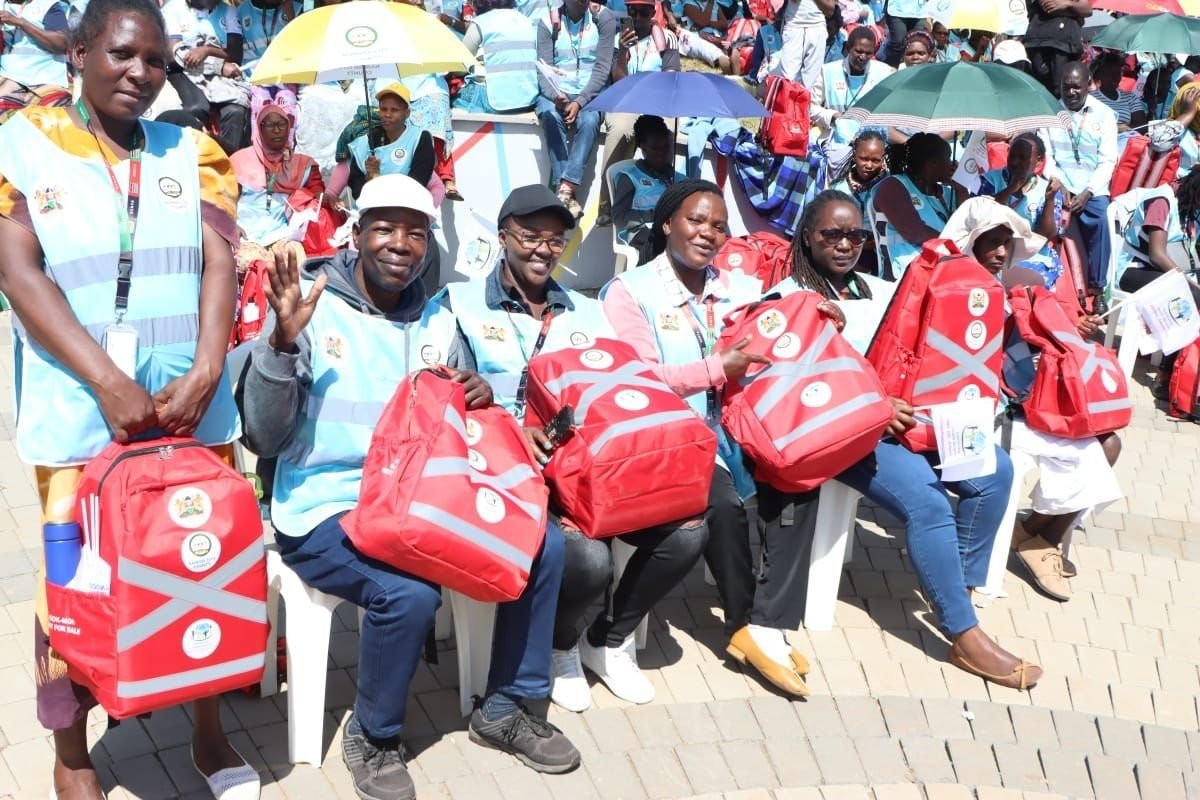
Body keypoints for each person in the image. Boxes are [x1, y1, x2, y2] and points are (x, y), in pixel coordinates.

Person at [239, 174, 581, 800]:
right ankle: (375, 736)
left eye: (416, 232)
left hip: (423, 500)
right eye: (385, 227)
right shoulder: (314, 307)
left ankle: (508, 705)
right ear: (357, 233)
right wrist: (282, 344)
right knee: (408, 593)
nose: (400, 244)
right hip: (325, 506)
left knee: (542, 545)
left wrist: (481, 400)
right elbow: (263, 437)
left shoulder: (437, 316)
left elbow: (464, 418)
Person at [0, 0, 259, 796]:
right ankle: (73, 754)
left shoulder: (194, 149)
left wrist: (211, 365)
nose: (140, 73)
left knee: (198, 559)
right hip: (82, 419)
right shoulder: (21, 147)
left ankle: (208, 736)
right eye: (120, 55)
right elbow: (19, 270)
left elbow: (220, 262)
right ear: (76, 55)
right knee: (72, 586)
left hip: (190, 411)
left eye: (154, 60)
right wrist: (109, 382)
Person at [438, 183, 707, 710]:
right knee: (587, 558)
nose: (542, 249)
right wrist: (510, 428)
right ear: (502, 236)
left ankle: (607, 638)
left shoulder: (587, 312)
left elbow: (626, 391)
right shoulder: (459, 305)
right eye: (528, 236)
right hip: (507, 470)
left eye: (555, 240)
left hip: (590, 469)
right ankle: (559, 646)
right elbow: (448, 405)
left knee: (688, 531)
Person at [776, 191, 1041, 690]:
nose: (845, 243)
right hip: (843, 431)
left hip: (907, 420)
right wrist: (877, 405)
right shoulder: (791, 298)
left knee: (996, 473)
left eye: (854, 234)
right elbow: (799, 386)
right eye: (831, 233)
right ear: (806, 236)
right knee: (927, 501)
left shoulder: (881, 288)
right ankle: (964, 634)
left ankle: (954, 588)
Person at [602, 179, 824, 697]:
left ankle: (768, 620)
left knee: (801, 482)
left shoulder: (732, 286)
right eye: (696, 220)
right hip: (667, 436)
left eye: (719, 226)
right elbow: (636, 378)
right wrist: (713, 368)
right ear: (666, 223)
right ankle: (745, 626)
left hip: (735, 427)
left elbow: (776, 312)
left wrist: (817, 312)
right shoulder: (631, 292)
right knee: (721, 507)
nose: (708, 233)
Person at [942, 197, 1122, 603]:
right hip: (971, 413)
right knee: (1034, 458)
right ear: (969, 242)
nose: (1002, 252)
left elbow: (1023, 352)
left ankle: (1038, 535)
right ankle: (1021, 545)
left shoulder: (1009, 290)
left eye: (1007, 243)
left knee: (1107, 441)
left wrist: (1065, 329)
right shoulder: (949, 286)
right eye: (991, 242)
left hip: (1013, 405)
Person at [1039, 61, 1116, 310]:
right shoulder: (1049, 113)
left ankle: (1098, 287)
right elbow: (1046, 156)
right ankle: (1053, 288)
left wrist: (1088, 191)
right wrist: (1058, 182)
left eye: (1076, 88)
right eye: (1066, 87)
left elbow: (1107, 161)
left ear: (1088, 85)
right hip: (1059, 184)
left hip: (1092, 188)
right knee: (1043, 219)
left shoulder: (1104, 114)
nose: (1071, 93)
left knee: (1100, 219)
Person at [596, 0, 680, 227]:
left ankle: (667, 199)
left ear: (654, 12)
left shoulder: (667, 38)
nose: (639, 18)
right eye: (633, 12)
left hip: (657, 103)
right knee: (622, 130)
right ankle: (607, 204)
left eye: (644, 12)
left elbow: (671, 78)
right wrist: (623, 51)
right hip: (626, 101)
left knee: (668, 134)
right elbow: (618, 82)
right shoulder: (616, 40)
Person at [535, 0, 617, 218]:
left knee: (590, 122)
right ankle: (566, 194)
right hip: (556, 91)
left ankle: (566, 187)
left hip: (592, 92)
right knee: (550, 116)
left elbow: (602, 68)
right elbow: (542, 70)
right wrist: (556, 96)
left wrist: (579, 101)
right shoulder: (547, 21)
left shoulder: (604, 18)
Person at [230, 89, 329, 261]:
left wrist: (328, 197)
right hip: (245, 234)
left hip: (282, 234)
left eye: (282, 125)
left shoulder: (302, 164)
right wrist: (231, 226)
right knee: (252, 263)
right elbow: (224, 202)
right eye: (270, 125)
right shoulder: (239, 161)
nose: (277, 130)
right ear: (259, 128)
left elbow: (317, 193)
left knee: (295, 259)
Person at [977, 132, 1065, 288]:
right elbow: (982, 217)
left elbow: (1045, 235)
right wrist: (1011, 188)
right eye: (1013, 156)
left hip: (1032, 255)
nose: (1016, 162)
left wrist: (1050, 199)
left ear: (1038, 161)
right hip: (994, 253)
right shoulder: (989, 180)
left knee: (1032, 283)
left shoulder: (1048, 189)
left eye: (1023, 158)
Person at [163, 0, 251, 155]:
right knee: (196, 108)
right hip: (182, 72)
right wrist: (219, 65)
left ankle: (230, 163)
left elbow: (235, 55)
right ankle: (198, 162)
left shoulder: (227, 11)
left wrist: (206, 50)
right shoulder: (173, 10)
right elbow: (174, 56)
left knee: (235, 110)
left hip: (219, 76)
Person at [871, 132, 960, 279]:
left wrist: (960, 188)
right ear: (933, 163)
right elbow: (915, 233)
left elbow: (968, 224)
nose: (951, 164)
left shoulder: (945, 192)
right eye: (948, 159)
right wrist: (956, 246)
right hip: (905, 274)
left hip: (942, 267)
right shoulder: (893, 186)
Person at [341, 82, 437, 202]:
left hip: (407, 209)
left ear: (407, 113)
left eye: (394, 110)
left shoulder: (420, 139)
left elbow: (417, 184)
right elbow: (356, 190)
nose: (387, 114)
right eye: (383, 109)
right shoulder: (366, 142)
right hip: (372, 210)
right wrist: (368, 178)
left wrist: (378, 179)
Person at [610, 115, 686, 259]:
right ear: (642, 148)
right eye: (655, 148)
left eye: (665, 147)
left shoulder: (677, 179)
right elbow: (619, 217)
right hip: (640, 232)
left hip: (670, 231)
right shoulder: (630, 177)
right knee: (668, 245)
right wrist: (654, 215)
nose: (661, 153)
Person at [810, 25, 892, 146]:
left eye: (868, 53)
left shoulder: (883, 72)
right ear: (848, 48)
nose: (863, 57)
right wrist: (833, 116)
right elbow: (810, 107)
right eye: (859, 51)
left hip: (871, 142)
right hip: (834, 141)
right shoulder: (828, 71)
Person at [455, 0, 540, 114]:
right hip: (528, 100)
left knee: (454, 96)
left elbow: (458, 67)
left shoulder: (481, 22)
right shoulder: (525, 20)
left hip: (494, 101)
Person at [0, 0, 71, 123]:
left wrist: (21, 23)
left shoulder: (47, 5)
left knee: (55, 123)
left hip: (46, 80)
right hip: (9, 76)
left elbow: (62, 44)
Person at [1023, 0, 1090, 97]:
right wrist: (1077, 13)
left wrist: (1067, 4)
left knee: (1064, 90)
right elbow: (1048, 6)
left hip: (1069, 47)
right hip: (1042, 44)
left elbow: (1088, 10)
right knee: (1043, 91)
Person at [778, 0, 835, 87]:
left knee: (811, 82)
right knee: (787, 78)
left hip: (817, 28)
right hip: (794, 27)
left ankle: (804, 100)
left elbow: (830, 10)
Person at [1091, 51, 1147, 136]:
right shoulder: (1091, 99)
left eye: (1118, 73)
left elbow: (1142, 127)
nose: (1115, 78)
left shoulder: (1130, 97)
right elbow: (1088, 126)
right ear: (1099, 75)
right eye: (1110, 74)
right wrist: (1116, 128)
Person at [235, 0, 295, 78]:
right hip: (253, 77)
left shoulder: (295, 8)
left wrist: (291, 15)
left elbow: (302, 45)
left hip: (285, 75)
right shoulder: (241, 11)